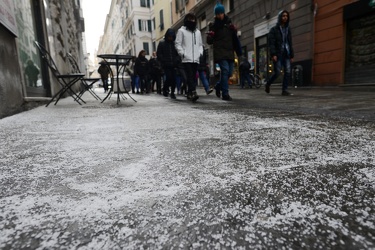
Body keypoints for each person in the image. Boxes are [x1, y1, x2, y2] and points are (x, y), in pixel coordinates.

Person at [207, 1, 242, 101]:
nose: (219, 15)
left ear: (224, 13)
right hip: (220, 52)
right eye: (217, 14)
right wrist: (211, 36)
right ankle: (225, 94)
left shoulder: (229, 24)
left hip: (229, 51)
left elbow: (234, 39)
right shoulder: (213, 26)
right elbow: (209, 41)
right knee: (225, 70)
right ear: (215, 15)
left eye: (221, 13)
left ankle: (218, 86)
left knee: (230, 73)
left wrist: (239, 52)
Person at [175, 12, 203, 102]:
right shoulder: (181, 31)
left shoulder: (198, 32)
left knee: (194, 76)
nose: (192, 21)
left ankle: (190, 93)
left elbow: (200, 44)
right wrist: (182, 53)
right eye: (190, 19)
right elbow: (178, 44)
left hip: (196, 58)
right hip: (186, 58)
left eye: (193, 19)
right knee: (190, 76)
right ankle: (193, 91)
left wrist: (200, 53)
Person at [265, 10, 294, 96]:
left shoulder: (288, 29)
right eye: (283, 16)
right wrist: (273, 54)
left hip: (287, 53)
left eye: (286, 16)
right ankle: (268, 84)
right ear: (280, 17)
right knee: (277, 72)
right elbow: (271, 43)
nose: (285, 17)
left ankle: (284, 90)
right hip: (278, 53)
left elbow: (290, 42)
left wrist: (292, 55)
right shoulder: (274, 30)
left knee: (288, 71)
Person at [157, 28, 180, 99]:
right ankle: (165, 89)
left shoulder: (174, 44)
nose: (170, 38)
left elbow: (177, 54)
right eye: (169, 36)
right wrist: (163, 60)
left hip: (173, 64)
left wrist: (176, 60)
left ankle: (172, 92)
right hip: (166, 64)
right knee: (169, 77)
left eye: (172, 37)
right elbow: (159, 54)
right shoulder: (162, 43)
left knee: (173, 79)